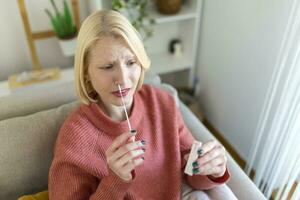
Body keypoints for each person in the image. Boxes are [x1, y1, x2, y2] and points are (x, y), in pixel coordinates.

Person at [48, 10, 235, 199]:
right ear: (85, 72)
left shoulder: (162, 103)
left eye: (131, 62)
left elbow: (192, 172)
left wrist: (212, 168)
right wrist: (115, 180)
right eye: (107, 67)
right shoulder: (75, 138)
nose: (122, 79)